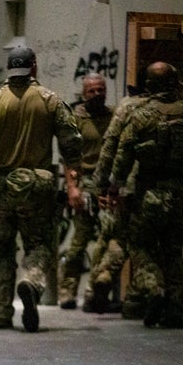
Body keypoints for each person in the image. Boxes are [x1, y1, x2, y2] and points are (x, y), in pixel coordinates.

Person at [0, 45, 82, 332]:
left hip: (0, 188)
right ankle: (31, 281)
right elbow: (71, 146)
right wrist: (74, 185)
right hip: (37, 188)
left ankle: (2, 312)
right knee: (39, 245)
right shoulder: (50, 101)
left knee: (1, 249)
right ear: (34, 67)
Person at [109, 61, 183, 328]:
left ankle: (154, 287)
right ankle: (174, 308)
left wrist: (114, 186)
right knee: (173, 250)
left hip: (149, 194)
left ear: (148, 86)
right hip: (181, 195)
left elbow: (123, 157)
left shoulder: (140, 117)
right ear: (175, 83)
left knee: (139, 245)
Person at [86, 70, 149, 316]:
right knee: (146, 245)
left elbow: (111, 145)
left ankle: (101, 280)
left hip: (123, 185)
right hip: (153, 187)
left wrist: (102, 186)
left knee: (115, 237)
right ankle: (139, 297)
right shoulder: (174, 110)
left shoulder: (124, 108)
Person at [58, 73, 114, 310]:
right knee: (79, 240)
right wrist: (72, 188)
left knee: (108, 239)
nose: (97, 95)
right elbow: (68, 156)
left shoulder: (113, 117)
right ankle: (67, 290)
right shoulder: (76, 118)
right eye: (92, 91)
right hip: (83, 183)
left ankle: (97, 292)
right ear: (84, 93)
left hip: (108, 185)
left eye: (101, 90)